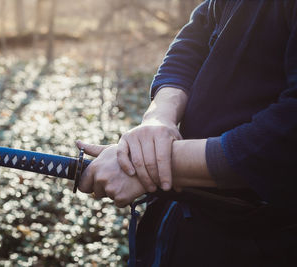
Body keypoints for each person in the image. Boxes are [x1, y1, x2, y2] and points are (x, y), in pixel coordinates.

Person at [77, 0, 297, 266]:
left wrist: (155, 163)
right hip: (181, 225)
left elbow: (287, 138)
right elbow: (193, 42)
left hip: (261, 241)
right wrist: (159, 118)